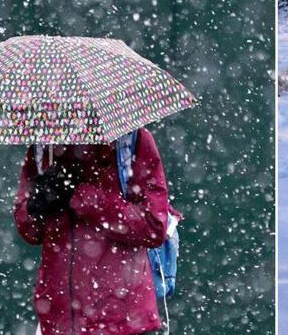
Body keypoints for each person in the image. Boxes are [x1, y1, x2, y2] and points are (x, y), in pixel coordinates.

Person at [13, 128, 170, 335]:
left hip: (121, 320)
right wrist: (36, 206)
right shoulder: (44, 146)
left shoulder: (131, 141)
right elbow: (30, 231)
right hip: (57, 319)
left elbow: (153, 226)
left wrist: (81, 196)